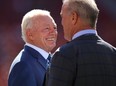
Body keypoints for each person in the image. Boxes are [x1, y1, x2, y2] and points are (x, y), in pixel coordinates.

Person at [44, 0, 116, 86]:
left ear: (73, 17)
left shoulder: (64, 54)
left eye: (62, 16)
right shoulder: (113, 53)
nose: (61, 23)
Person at [8, 9, 58, 86]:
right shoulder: (23, 65)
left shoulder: (50, 59)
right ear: (30, 34)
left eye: (54, 28)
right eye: (47, 28)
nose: (53, 32)